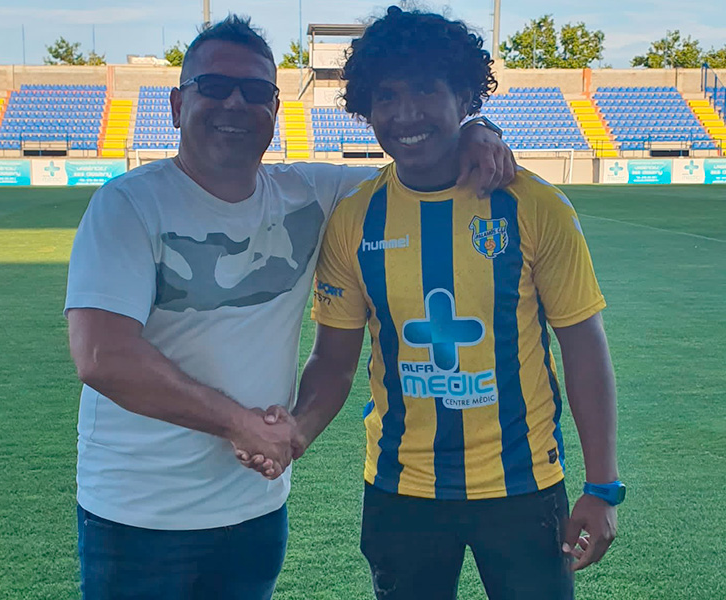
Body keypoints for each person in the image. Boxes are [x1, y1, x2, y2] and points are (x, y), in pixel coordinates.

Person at [64, 14, 515, 600]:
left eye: (254, 92)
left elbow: (417, 157)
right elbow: (103, 356)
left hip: (255, 506)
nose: (234, 103)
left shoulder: (313, 195)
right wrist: (242, 423)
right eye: (213, 87)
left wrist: (479, 126)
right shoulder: (127, 205)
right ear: (178, 105)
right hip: (139, 514)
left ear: (274, 112)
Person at [240, 7, 624, 600]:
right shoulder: (353, 218)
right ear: (365, 107)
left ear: (466, 95)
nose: (406, 113)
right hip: (402, 488)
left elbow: (584, 347)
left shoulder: (536, 208)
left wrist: (601, 487)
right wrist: (296, 431)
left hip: (524, 485)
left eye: (426, 89)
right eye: (387, 95)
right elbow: (334, 361)